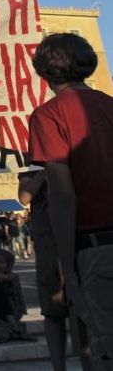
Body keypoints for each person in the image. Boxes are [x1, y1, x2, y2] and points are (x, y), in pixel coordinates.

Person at [27, 32, 113, 368]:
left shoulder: (48, 116)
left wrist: (67, 263)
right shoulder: (109, 105)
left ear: (44, 71)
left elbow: (62, 193)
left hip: (93, 248)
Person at [19, 170, 73, 371]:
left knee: (82, 313)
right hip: (49, 251)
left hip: (74, 243)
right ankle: (58, 366)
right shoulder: (31, 173)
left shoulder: (70, 164)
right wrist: (42, 176)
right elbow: (23, 198)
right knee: (52, 313)